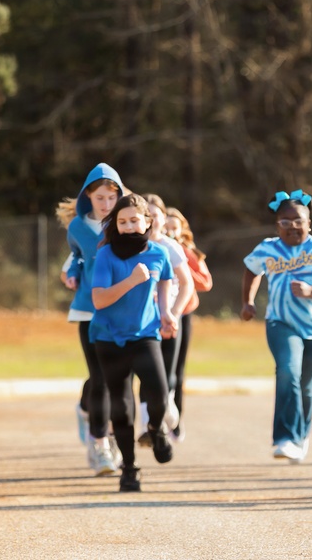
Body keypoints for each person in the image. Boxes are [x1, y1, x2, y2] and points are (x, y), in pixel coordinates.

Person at [241, 189, 312, 463]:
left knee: (306, 385)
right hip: (281, 322)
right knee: (288, 373)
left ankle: (301, 437)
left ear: (309, 223)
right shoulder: (268, 248)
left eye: (298, 221)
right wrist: (248, 301)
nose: (292, 227)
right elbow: (252, 269)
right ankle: (285, 438)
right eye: (285, 222)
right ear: (277, 226)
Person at [89, 193, 178, 492]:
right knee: (122, 408)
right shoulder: (105, 255)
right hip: (109, 338)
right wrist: (131, 281)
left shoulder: (158, 253)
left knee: (160, 393)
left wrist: (166, 312)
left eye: (134, 220)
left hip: (145, 335)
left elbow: (165, 280)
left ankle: (155, 429)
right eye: (122, 221)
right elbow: (99, 300)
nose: (128, 226)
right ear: (115, 223)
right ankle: (129, 469)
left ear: (147, 221)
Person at [55, 163, 124, 476]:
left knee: (117, 379)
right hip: (88, 310)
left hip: (123, 311)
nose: (106, 204)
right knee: (99, 377)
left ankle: (96, 419)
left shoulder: (126, 223)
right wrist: (70, 275)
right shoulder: (78, 228)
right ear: (88, 196)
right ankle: (100, 445)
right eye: (100, 198)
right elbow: (76, 259)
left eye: (112, 197)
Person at [136, 194, 194, 445]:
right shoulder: (132, 246)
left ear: (163, 217)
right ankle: (147, 427)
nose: (151, 221)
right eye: (146, 216)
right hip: (141, 323)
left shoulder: (171, 247)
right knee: (145, 375)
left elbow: (187, 284)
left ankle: (165, 416)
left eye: (155, 215)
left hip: (168, 320)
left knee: (168, 375)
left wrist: (175, 313)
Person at [164, 206, 214, 442]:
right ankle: (155, 417)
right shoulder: (155, 248)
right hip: (159, 314)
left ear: (183, 230)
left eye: (175, 228)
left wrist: (182, 265)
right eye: (167, 227)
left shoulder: (188, 252)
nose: (170, 231)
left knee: (178, 370)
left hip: (183, 313)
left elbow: (206, 282)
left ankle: (176, 419)